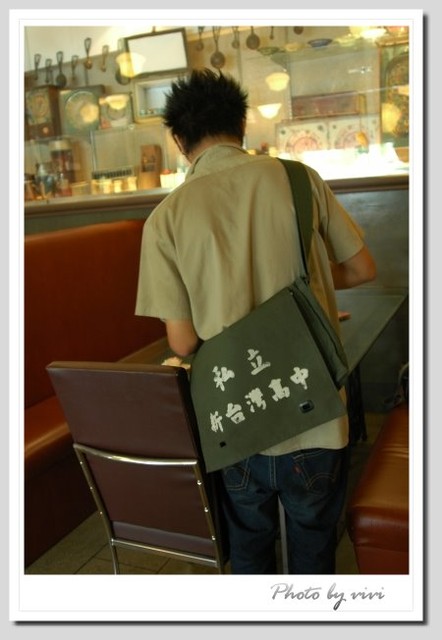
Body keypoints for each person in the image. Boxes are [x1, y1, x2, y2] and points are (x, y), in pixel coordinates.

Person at [135, 68, 376, 575]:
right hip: (315, 414)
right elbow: (361, 269)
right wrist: (313, 288)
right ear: (241, 125)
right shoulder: (299, 179)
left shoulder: (165, 218)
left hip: (236, 423)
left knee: (249, 546)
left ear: (179, 140)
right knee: (314, 545)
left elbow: (183, 341)